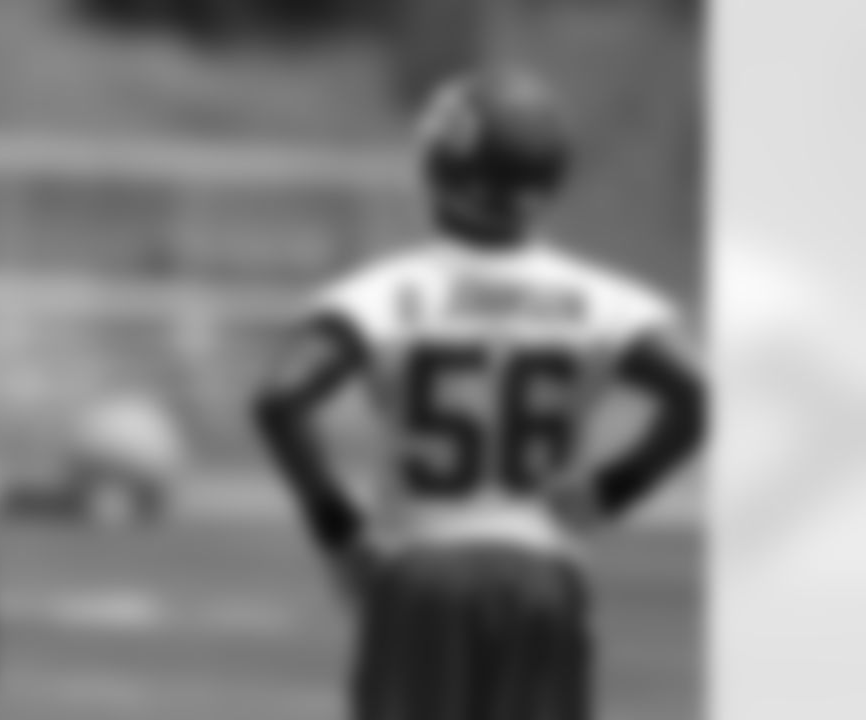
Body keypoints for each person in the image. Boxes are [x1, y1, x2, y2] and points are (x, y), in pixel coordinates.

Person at [251, 69, 706, 720]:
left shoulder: (387, 292)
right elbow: (697, 394)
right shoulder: (600, 299)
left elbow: (280, 397)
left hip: (421, 570)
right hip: (545, 572)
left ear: (440, 167)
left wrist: (339, 529)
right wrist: (615, 488)